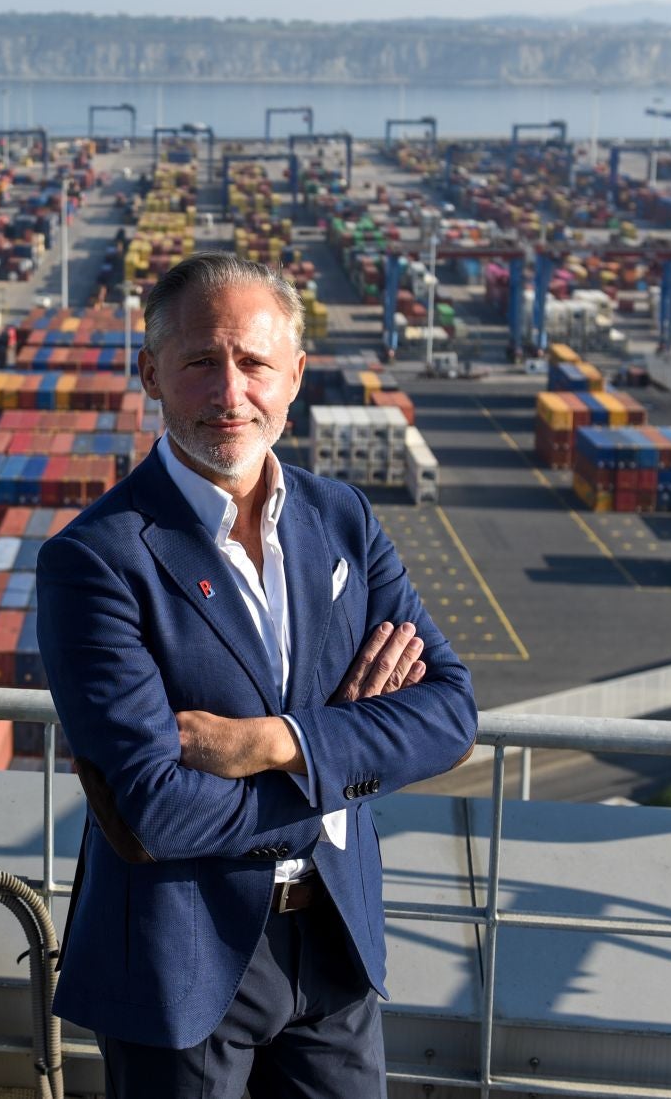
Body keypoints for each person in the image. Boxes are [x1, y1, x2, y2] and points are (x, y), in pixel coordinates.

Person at [37, 252, 477, 1098]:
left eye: (254, 363)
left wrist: (275, 742)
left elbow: (452, 713)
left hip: (337, 945)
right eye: (201, 362)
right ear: (152, 373)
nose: (230, 392)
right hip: (181, 960)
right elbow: (153, 812)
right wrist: (348, 765)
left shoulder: (341, 518)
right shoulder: (95, 560)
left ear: (297, 376)